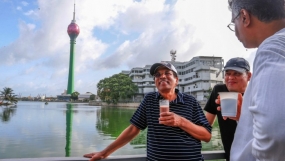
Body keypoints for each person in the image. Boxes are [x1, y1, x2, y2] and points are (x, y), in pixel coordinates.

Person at [84, 62, 212, 161]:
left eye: (167, 73)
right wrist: (105, 152)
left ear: (176, 80)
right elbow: (133, 130)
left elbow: (206, 136)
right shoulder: (150, 100)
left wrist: (181, 122)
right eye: (157, 75)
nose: (162, 76)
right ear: (155, 81)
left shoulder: (190, 101)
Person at [225, 0, 285, 160]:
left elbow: (276, 133)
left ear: (244, 17)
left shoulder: (273, 48)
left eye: (233, 22)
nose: (235, 31)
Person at [204, 57, 251, 161]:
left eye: (237, 74)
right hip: (231, 157)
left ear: (249, 76)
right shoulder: (219, 90)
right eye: (227, 73)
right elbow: (206, 124)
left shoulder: (257, 93)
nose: (230, 77)